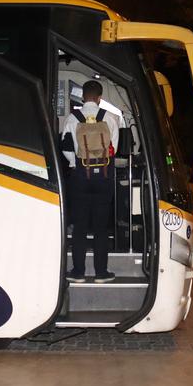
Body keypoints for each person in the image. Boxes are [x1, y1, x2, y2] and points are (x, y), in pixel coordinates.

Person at [61, 80, 119, 283]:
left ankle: (78, 272)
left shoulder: (72, 118)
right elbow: (114, 149)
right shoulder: (110, 118)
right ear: (99, 98)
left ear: (83, 96)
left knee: (80, 226)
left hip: (80, 178)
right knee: (101, 227)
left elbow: (67, 149)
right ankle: (101, 273)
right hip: (103, 177)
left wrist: (77, 165)